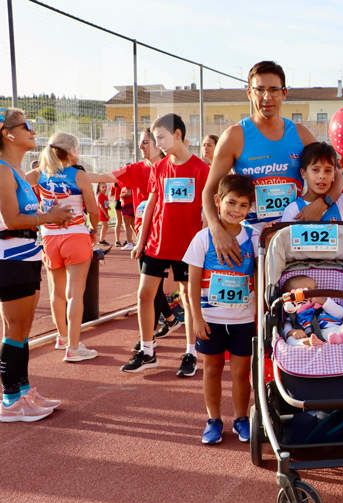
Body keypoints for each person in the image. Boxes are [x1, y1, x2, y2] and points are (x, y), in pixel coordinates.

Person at [202, 61, 317, 269]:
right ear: (249, 93)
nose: (267, 97)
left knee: (295, 297)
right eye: (260, 90)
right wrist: (217, 230)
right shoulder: (234, 136)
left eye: (273, 90)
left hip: (293, 238)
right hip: (251, 241)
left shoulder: (301, 134)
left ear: (284, 93)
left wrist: (322, 204)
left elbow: (334, 176)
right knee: (254, 301)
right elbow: (209, 190)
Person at [0, 107, 73, 421]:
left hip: (27, 255)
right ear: (8, 133)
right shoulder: (2, 170)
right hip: (10, 259)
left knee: (23, 329)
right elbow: (12, 219)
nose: (32, 131)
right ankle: (9, 399)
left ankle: (24, 390)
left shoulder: (16, 172)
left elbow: (26, 214)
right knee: (15, 329)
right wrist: (49, 217)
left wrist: (45, 212)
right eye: (26, 126)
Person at [122, 113, 208, 374]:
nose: (156, 143)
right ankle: (147, 350)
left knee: (188, 297)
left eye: (160, 137)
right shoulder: (159, 168)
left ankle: (191, 352)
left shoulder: (201, 169)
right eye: (154, 138)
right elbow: (151, 206)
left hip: (188, 246)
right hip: (157, 243)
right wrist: (141, 240)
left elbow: (207, 209)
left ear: (178, 135)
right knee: (144, 294)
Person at [182, 174, 258, 444]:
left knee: (241, 372)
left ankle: (241, 418)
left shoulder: (253, 238)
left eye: (243, 205)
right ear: (217, 201)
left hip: (242, 320)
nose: (236, 210)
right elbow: (191, 285)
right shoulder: (203, 239)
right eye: (231, 203)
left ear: (251, 207)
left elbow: (258, 278)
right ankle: (213, 419)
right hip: (211, 319)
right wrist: (197, 319)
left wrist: (257, 315)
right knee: (211, 369)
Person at [27, 132, 108, 361]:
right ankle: (73, 347)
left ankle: (62, 337)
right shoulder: (78, 175)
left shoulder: (39, 174)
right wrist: (93, 229)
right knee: (75, 294)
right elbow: (93, 209)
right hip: (75, 236)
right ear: (72, 151)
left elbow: (16, 184)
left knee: (57, 293)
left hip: (50, 238)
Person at [280, 142, 343, 223]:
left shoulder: (342, 202)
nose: (322, 176)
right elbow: (285, 235)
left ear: (334, 174)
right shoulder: (293, 210)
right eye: (315, 170)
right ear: (303, 173)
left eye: (328, 170)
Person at [279, 275, 343, 346]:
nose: (314, 292)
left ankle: (342, 339)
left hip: (336, 331)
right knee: (290, 340)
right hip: (312, 334)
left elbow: (340, 314)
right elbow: (286, 326)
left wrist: (324, 302)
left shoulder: (325, 301)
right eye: (308, 290)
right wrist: (292, 332)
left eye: (315, 287)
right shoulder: (294, 311)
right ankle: (306, 343)